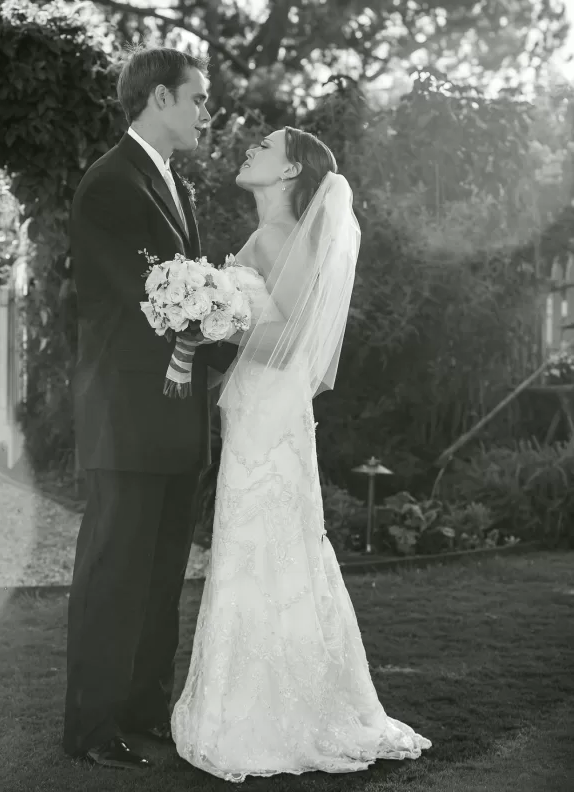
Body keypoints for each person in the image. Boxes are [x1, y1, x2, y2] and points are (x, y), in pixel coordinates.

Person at [171, 127, 432, 781]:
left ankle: (264, 714)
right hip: (261, 407)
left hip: (268, 411)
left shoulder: (281, 238)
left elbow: (282, 340)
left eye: (263, 147)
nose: (249, 150)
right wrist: (205, 316)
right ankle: (250, 703)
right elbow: (260, 325)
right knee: (259, 546)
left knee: (264, 547)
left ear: (289, 172)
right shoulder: (264, 237)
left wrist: (211, 321)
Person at [63, 46, 238, 770]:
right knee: (114, 573)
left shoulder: (172, 183)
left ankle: (143, 706)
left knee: (163, 572)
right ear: (159, 98)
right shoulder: (110, 182)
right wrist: (199, 316)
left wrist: (216, 322)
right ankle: (91, 727)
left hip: (175, 419)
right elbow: (125, 302)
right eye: (198, 98)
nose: (206, 112)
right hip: (127, 419)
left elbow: (178, 292)